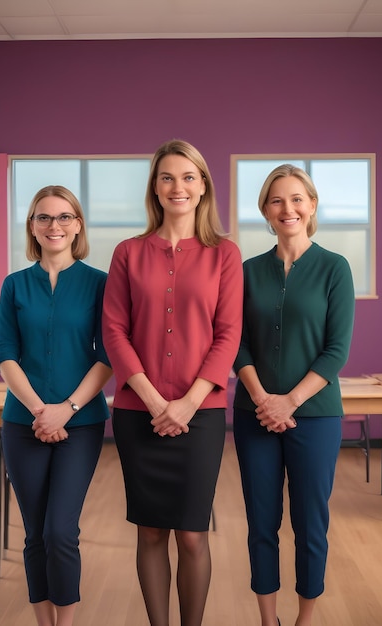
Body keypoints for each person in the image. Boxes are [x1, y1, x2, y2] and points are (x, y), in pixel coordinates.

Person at [102, 139, 243, 626]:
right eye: (167, 177)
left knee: (192, 534)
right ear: (155, 189)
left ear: (202, 186)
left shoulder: (224, 254)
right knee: (150, 532)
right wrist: (153, 398)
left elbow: (228, 335)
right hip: (136, 414)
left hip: (199, 415)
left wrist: (187, 403)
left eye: (187, 176)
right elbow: (114, 330)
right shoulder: (127, 252)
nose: (177, 186)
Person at [232, 165, 355, 626]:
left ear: (313, 205)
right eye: (278, 200)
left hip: (317, 416)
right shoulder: (247, 272)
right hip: (253, 414)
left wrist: (290, 401)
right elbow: (235, 342)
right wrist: (265, 399)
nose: (289, 209)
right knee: (261, 522)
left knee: (309, 523)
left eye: (298, 199)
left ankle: (304, 618)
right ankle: (268, 619)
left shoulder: (334, 268)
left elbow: (336, 350)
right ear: (265, 209)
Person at [0, 185, 112, 626]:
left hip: (81, 424)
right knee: (34, 535)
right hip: (22, 423)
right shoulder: (14, 285)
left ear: (78, 225)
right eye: (43, 217)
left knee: (60, 531)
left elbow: (108, 355)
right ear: (32, 226)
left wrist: (67, 408)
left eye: (64, 217)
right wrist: (40, 410)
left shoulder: (99, 283)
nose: (54, 225)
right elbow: (5, 353)